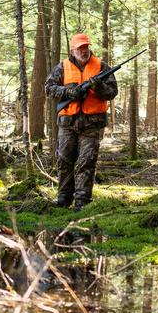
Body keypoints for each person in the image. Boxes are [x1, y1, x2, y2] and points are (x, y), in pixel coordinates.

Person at [45, 33, 119, 211]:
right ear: (73, 50)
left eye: (85, 47)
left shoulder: (102, 66)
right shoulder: (62, 67)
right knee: (64, 160)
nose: (83, 51)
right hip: (67, 123)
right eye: (80, 48)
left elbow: (112, 92)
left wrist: (99, 87)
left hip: (91, 124)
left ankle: (83, 201)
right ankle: (63, 198)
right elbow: (49, 89)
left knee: (87, 162)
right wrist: (68, 93)